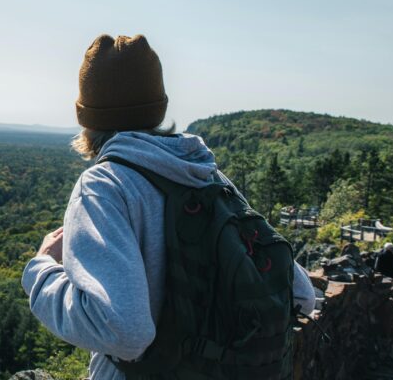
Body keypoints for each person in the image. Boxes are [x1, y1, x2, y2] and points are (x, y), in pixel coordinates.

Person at [22, 34, 316, 380]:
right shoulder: (207, 176)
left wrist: (41, 272)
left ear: (87, 115)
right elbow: (301, 295)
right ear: (158, 106)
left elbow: (125, 333)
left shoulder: (104, 185)